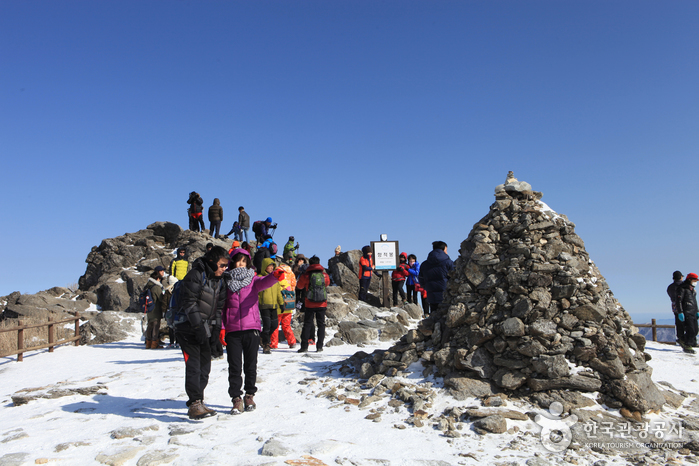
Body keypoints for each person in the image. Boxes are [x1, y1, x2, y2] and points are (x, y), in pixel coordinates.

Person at [221, 248, 286, 414]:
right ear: (232, 262)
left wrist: (275, 276)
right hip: (233, 330)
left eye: (244, 261)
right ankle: (236, 398)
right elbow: (221, 306)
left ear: (248, 262)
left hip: (252, 328)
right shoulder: (226, 281)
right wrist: (222, 328)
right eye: (238, 260)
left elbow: (265, 281)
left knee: (251, 366)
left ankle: (249, 395)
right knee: (234, 367)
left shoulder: (253, 280)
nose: (240, 264)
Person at [175, 246, 229, 419]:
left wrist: (216, 331)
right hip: (187, 328)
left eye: (226, 265)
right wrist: (198, 327)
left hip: (205, 328)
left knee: (205, 367)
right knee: (194, 366)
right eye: (222, 265)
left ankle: (198, 400)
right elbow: (189, 303)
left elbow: (218, 308)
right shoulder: (196, 275)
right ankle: (195, 404)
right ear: (212, 262)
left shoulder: (219, 280)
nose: (224, 268)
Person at [296, 256, 330, 353]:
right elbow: (327, 284)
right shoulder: (324, 275)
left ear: (310, 264)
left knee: (307, 324)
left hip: (309, 303)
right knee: (321, 325)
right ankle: (319, 347)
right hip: (322, 303)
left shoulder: (306, 275)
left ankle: (304, 347)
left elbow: (299, 286)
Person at [418, 241, 454, 315]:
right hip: (446, 294)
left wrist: (426, 287)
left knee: (434, 317)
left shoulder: (424, 264)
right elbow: (455, 276)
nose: (446, 252)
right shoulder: (448, 262)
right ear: (443, 249)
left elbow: (421, 278)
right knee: (445, 318)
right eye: (446, 250)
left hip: (431, 295)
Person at [258, 258, 283, 354]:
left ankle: (262, 337)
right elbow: (257, 293)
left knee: (275, 325)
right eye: (269, 266)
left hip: (274, 306)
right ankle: (266, 345)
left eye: (273, 266)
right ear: (264, 266)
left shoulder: (275, 278)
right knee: (267, 326)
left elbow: (278, 293)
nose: (271, 268)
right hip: (264, 306)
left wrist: (281, 303)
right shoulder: (260, 278)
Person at [273, 262, 297, 349]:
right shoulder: (290, 273)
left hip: (278, 308)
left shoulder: (276, 282)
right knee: (286, 325)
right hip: (288, 306)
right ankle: (292, 342)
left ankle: (274, 344)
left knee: (275, 326)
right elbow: (294, 285)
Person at [675, 272, 699, 353]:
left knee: (695, 330)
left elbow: (694, 302)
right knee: (691, 330)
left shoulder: (692, 290)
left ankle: (682, 339)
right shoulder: (682, 288)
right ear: (689, 279)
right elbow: (678, 301)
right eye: (694, 280)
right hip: (686, 312)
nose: (695, 282)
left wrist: (697, 311)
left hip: (693, 312)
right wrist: (680, 312)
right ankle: (687, 346)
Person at [144, 266, 166, 349]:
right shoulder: (156, 287)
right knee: (156, 325)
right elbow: (161, 298)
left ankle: (148, 343)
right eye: (161, 271)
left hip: (149, 307)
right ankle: (154, 343)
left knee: (150, 325)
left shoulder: (149, 284)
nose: (163, 272)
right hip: (155, 308)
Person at [668, 271, 684, 346]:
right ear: (680, 277)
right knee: (688, 323)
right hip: (684, 305)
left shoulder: (670, 287)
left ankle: (680, 338)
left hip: (674, 306)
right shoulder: (683, 285)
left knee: (678, 322)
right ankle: (688, 340)